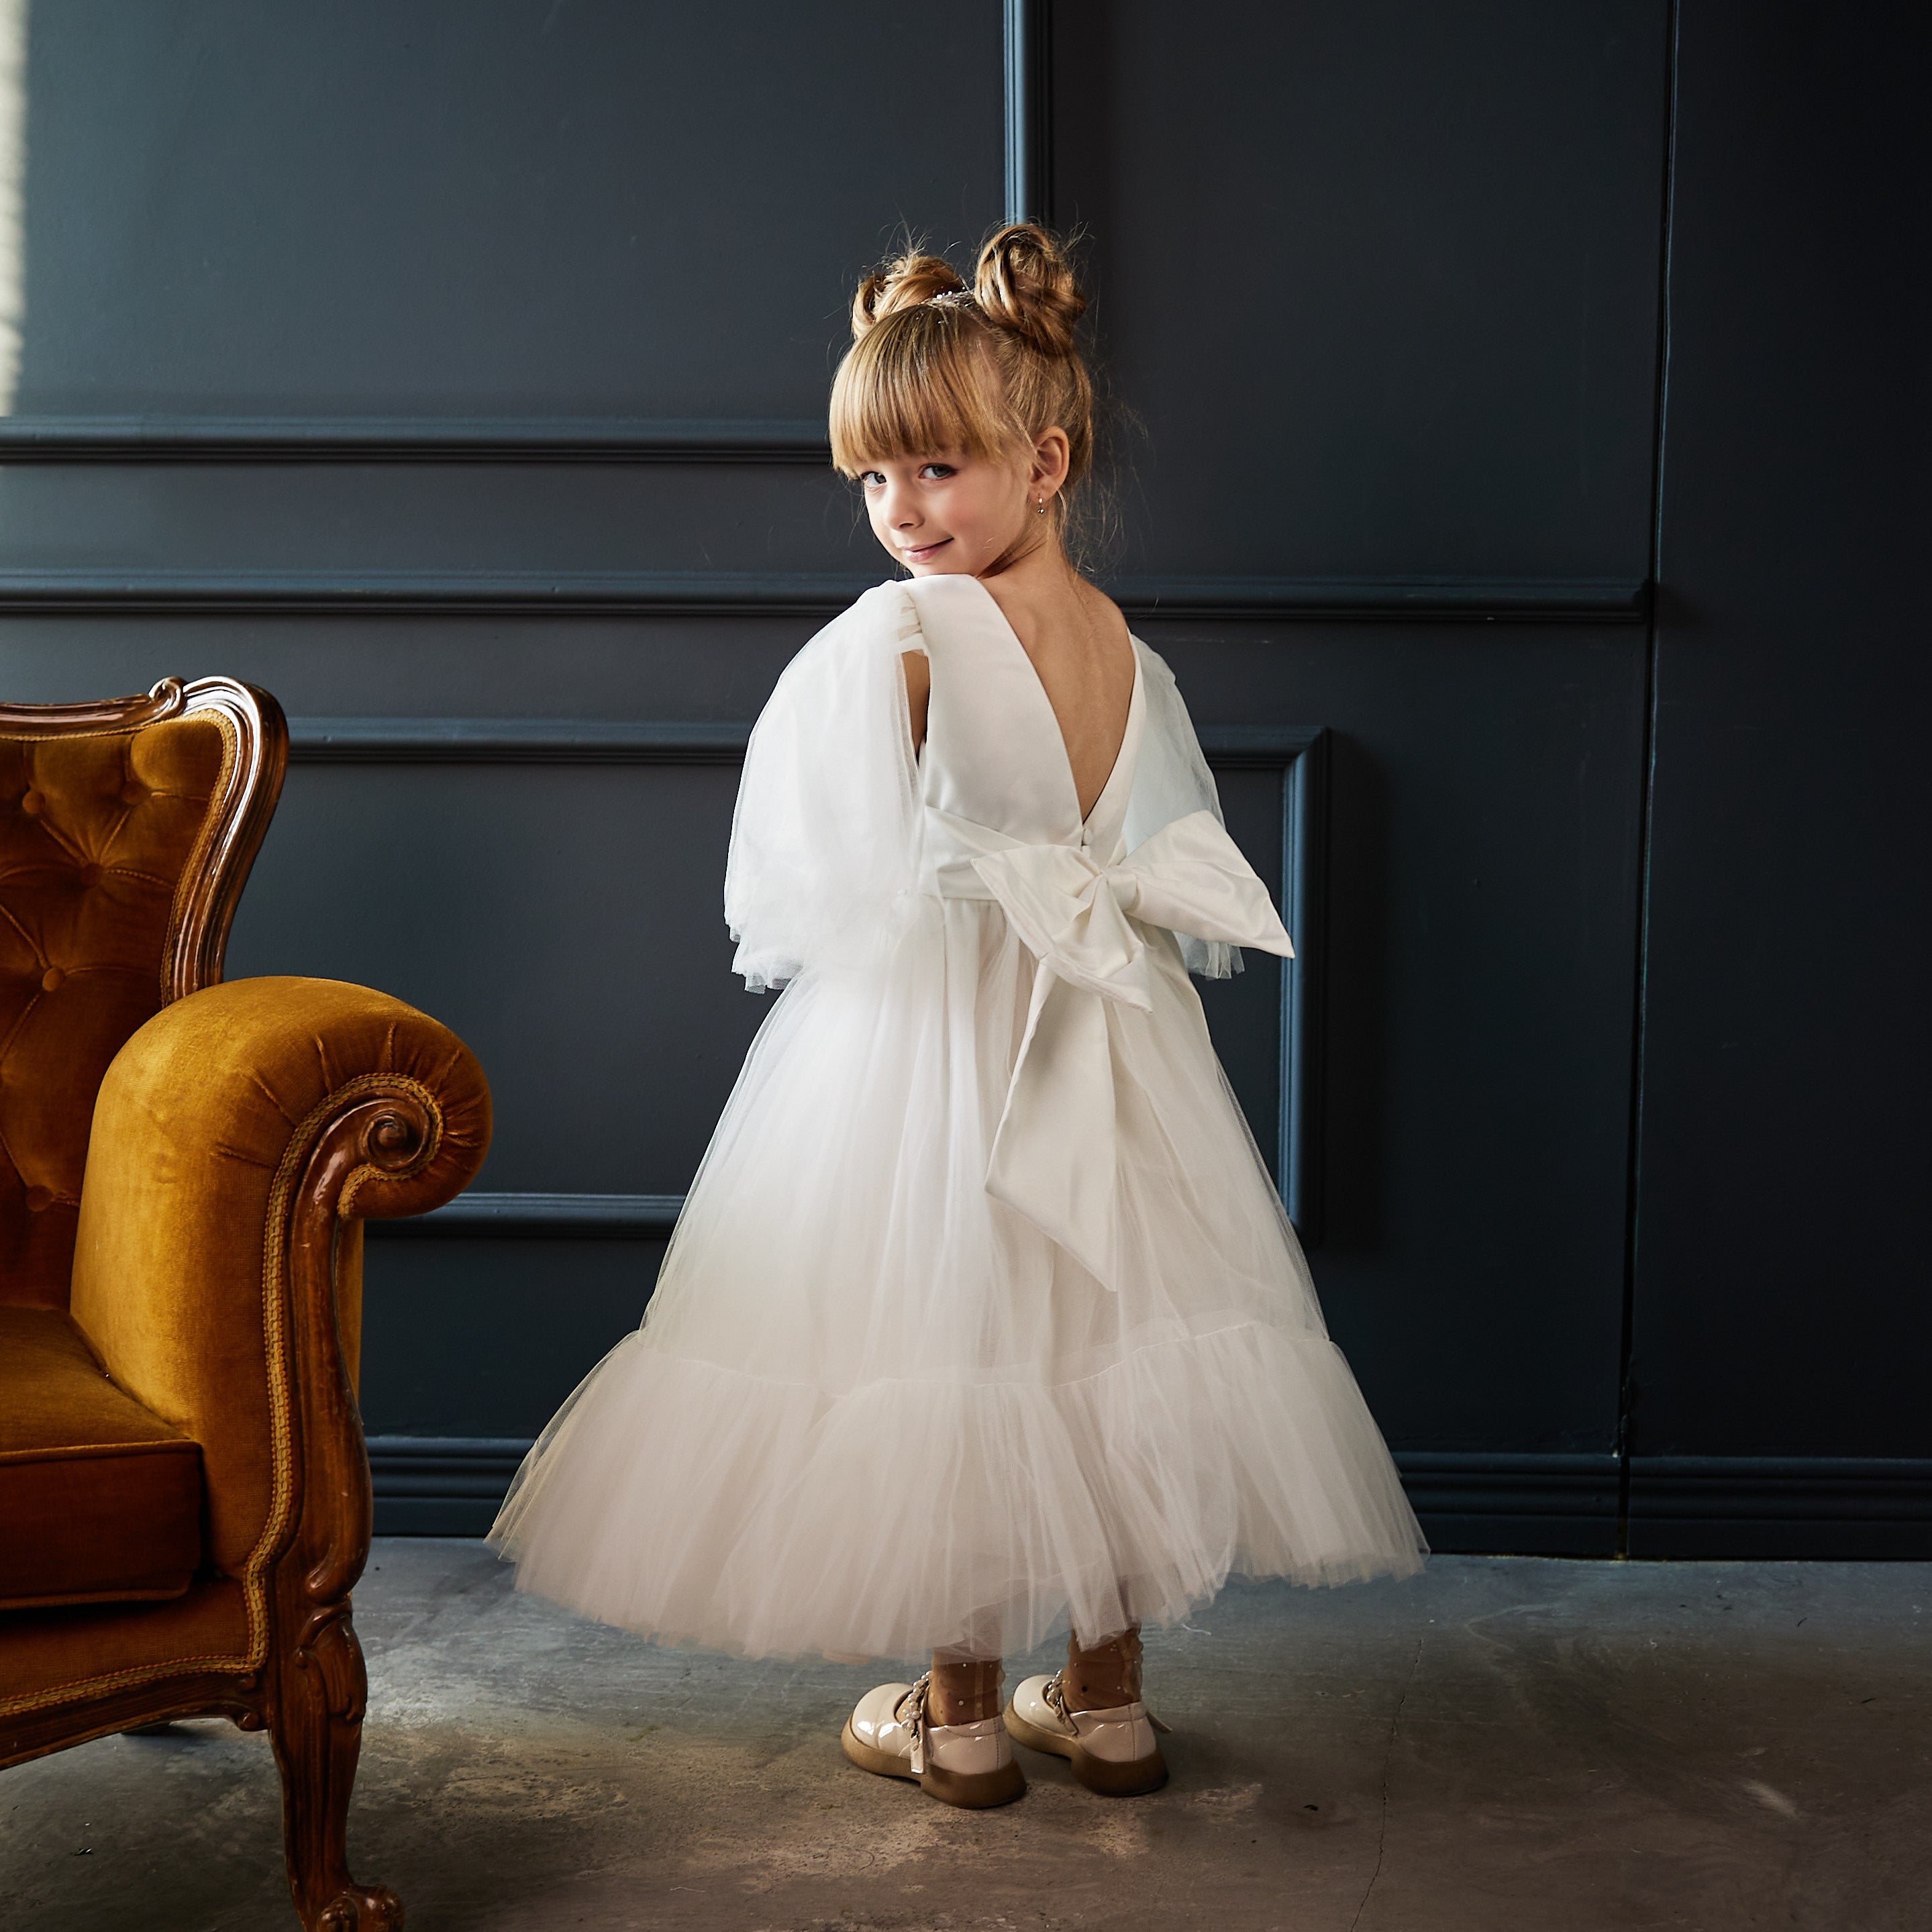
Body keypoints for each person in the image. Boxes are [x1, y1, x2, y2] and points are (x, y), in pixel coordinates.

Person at [487, 224, 1426, 1809]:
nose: (900, 514)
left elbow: (812, 876)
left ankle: (964, 1711)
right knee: (1101, 1334)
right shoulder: (1129, 644)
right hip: (1112, 1038)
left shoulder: (903, 635)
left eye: (934, 471)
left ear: (1044, 458)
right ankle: (1109, 1702)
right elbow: (1154, 848)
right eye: (873, 482)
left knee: (952, 1331)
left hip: (942, 1039)